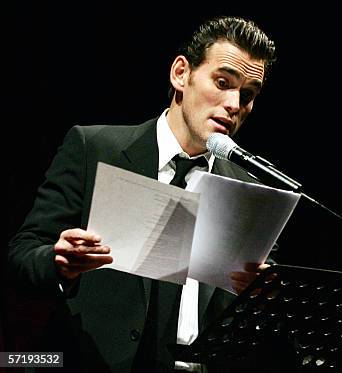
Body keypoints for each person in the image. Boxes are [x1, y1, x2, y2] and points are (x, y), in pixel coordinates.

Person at [7, 16, 276, 372]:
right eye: (223, 82)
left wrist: (258, 296)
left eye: (248, 94)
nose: (234, 103)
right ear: (181, 74)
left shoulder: (247, 190)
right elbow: (21, 256)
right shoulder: (96, 148)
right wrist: (59, 261)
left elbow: (247, 320)